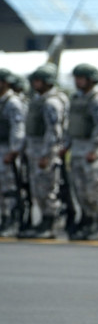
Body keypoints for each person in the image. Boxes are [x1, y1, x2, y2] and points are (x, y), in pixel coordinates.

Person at [18, 63, 68, 239]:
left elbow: (53, 131)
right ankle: (44, 221)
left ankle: (51, 222)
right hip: (34, 151)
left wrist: (47, 155)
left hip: (44, 153)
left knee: (47, 189)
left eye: (38, 81)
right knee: (37, 189)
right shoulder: (37, 101)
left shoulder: (51, 103)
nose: (35, 84)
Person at [63, 63, 98, 241]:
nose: (77, 81)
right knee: (80, 190)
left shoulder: (97, 100)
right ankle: (87, 221)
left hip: (91, 152)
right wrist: (65, 145)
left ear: (91, 80)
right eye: (76, 78)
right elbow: (71, 126)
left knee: (94, 191)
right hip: (77, 150)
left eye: (81, 78)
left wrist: (94, 149)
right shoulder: (76, 98)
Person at [0, 69, 26, 238]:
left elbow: (18, 128)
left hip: (8, 150)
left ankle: (12, 220)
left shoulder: (12, 102)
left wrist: (14, 150)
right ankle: (4, 218)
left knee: (10, 187)